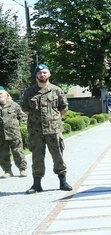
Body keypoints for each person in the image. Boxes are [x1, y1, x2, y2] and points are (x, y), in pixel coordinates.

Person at [21, 64, 72, 193]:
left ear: (49, 74)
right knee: (37, 157)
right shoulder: (29, 92)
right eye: (39, 73)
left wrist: (53, 119)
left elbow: (63, 108)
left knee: (58, 155)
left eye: (44, 72)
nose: (42, 75)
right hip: (35, 132)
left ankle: (63, 181)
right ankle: (36, 184)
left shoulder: (57, 90)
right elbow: (25, 109)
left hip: (53, 130)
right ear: (36, 75)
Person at [0, 87, 28, 179]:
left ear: (7, 95)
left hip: (14, 133)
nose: (0, 95)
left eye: (1, 93)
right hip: (1, 136)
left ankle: (22, 169)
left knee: (18, 152)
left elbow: (20, 117)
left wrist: (14, 127)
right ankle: (7, 171)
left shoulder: (14, 105)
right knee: (3, 154)